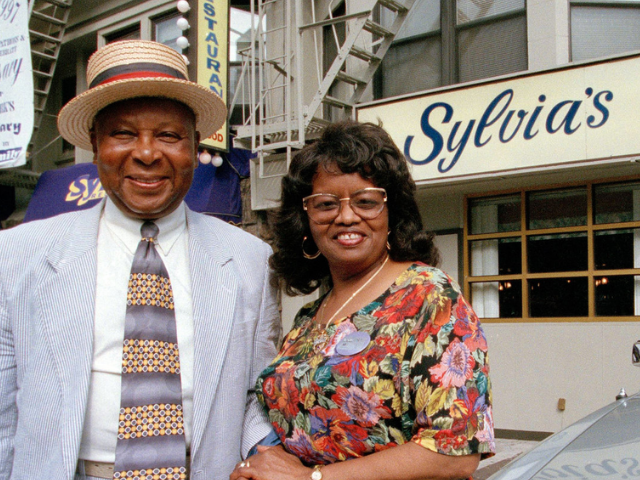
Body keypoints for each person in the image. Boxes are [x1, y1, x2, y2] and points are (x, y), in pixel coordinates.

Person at [0, 40, 281, 479]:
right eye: (123, 134)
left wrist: (263, 452)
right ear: (95, 145)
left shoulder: (249, 260)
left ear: (193, 146)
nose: (147, 153)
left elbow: (256, 393)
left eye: (169, 135)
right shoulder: (17, 255)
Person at [230, 121, 494, 480]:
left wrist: (311, 478)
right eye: (325, 204)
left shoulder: (429, 296)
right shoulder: (310, 317)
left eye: (366, 201)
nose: (346, 216)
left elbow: (455, 454)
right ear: (305, 219)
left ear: (392, 212)